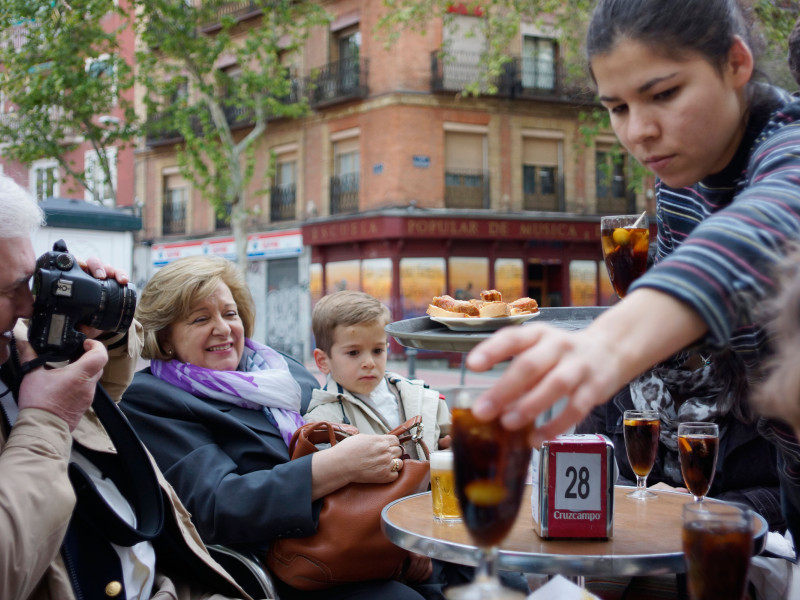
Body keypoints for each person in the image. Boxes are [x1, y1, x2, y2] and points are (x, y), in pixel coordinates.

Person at [464, 0, 800, 549]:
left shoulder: (788, 144)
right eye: (616, 107)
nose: (639, 132)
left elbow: (764, 225)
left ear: (736, 63)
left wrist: (610, 344)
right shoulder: (683, 175)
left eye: (664, 94)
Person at [120, 256, 458, 600]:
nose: (222, 328)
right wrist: (332, 467)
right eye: (200, 318)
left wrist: (404, 525)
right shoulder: (153, 399)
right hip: (291, 565)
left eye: (230, 313)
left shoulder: (284, 373)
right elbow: (216, 505)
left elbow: (363, 419)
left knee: (477, 564)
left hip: (361, 532)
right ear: (165, 339)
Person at [0, 175, 249, 600]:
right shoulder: (160, 397)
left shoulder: (15, 349)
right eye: (8, 290)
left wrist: (102, 329)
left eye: (29, 281)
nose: (29, 304)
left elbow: (98, 411)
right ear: (167, 339)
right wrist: (46, 421)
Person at [305, 290, 451, 454]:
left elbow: (450, 437)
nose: (369, 362)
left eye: (377, 350)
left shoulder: (421, 396)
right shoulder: (323, 421)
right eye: (353, 352)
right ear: (323, 361)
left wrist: (450, 446)